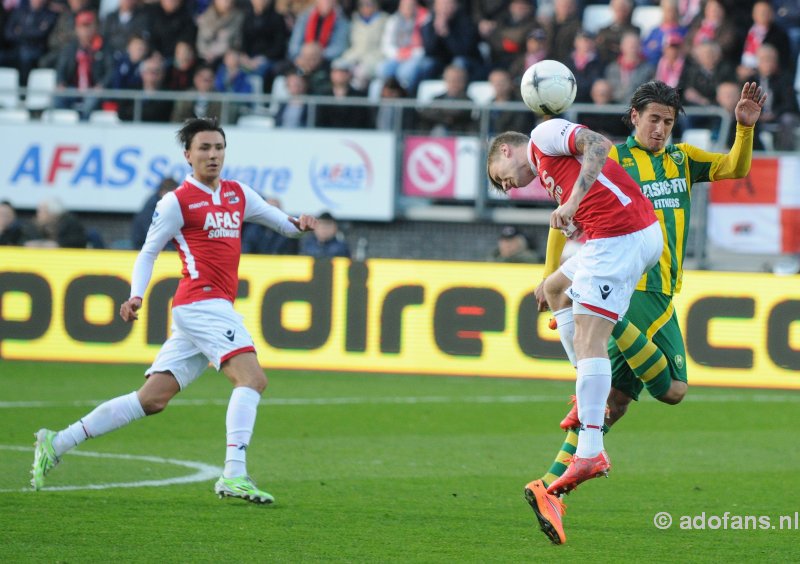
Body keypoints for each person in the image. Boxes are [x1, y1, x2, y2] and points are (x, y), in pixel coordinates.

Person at [522, 80, 766, 545]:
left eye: (668, 122)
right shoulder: (610, 159)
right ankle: (601, 346)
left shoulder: (682, 160)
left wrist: (743, 128)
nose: (660, 129)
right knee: (668, 390)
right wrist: (553, 275)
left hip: (664, 286)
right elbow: (565, 214)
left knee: (620, 401)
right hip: (629, 282)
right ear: (633, 118)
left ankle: (551, 486)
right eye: (653, 119)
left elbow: (734, 168)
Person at [31, 118, 319, 504]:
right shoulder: (176, 201)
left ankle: (57, 441)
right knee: (252, 379)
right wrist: (136, 295)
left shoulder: (238, 194)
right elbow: (149, 251)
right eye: (204, 148)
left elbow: (283, 225)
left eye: (218, 147)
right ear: (188, 155)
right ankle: (234, 473)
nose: (213, 154)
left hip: (203, 311)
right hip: (201, 303)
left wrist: (301, 224)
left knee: (151, 399)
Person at [486, 121, 664, 541]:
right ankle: (589, 401)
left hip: (622, 237)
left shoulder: (542, 136)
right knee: (553, 289)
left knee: (590, 339)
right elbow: (596, 191)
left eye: (499, 176)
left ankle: (589, 451)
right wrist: (575, 217)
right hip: (615, 235)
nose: (507, 186)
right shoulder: (550, 173)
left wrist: (573, 204)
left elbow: (599, 146)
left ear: (506, 151)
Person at [131, 177, 179, 249]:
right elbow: (154, 236)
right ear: (163, 192)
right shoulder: (151, 209)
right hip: (144, 250)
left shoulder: (168, 205)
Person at [23, 197, 88, 248]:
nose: (38, 214)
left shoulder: (71, 224)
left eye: (42, 211)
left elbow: (77, 243)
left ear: (52, 213)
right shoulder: (35, 225)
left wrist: (57, 244)